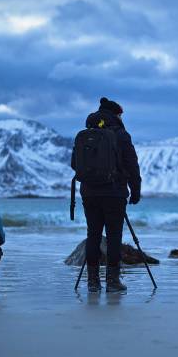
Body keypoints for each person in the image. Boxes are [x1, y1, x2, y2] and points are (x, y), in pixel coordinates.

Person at [71, 97, 141, 293]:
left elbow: (74, 164)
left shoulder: (86, 135)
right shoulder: (121, 135)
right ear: (116, 114)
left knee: (93, 235)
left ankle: (93, 282)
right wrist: (135, 191)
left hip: (89, 193)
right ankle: (113, 281)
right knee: (113, 236)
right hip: (114, 193)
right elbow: (132, 165)